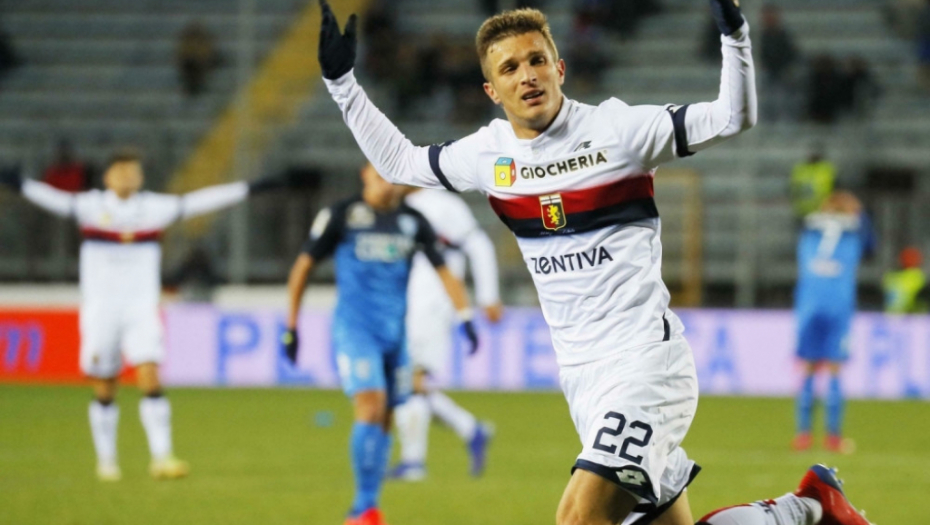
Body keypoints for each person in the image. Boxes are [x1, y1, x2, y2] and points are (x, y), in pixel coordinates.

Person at [316, 1, 874, 523]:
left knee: (578, 517)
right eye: (510, 68)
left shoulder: (619, 131)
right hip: (583, 380)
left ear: (559, 67)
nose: (527, 75)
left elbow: (733, 117)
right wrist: (342, 84)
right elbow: (400, 161)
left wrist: (735, 35)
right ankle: (808, 507)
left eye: (537, 60)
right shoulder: (488, 155)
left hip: (646, 364)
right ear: (492, 90)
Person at [0, 149, 279, 482]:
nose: (128, 177)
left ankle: (162, 457)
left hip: (141, 307)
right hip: (101, 308)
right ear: (108, 177)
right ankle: (107, 461)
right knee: (105, 386)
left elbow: (201, 201)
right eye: (121, 171)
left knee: (150, 374)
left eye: (133, 172)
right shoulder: (91, 207)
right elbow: (54, 200)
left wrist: (251, 188)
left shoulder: (153, 208)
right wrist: (20, 183)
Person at [282, 163, 478, 525]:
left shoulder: (413, 220)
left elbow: (444, 270)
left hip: (396, 336)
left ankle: (369, 506)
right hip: (356, 332)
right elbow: (303, 267)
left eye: (392, 177)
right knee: (370, 405)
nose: (387, 184)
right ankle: (359, 507)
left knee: (387, 414)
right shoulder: (342, 215)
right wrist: (291, 326)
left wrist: (465, 316)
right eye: (379, 175)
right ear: (365, 175)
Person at [390, 188, 503, 481]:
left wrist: (488, 296)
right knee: (405, 380)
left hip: (431, 299)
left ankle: (414, 463)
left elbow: (479, 245)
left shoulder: (443, 205)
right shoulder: (405, 205)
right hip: (407, 300)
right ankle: (470, 429)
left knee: (412, 378)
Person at [792, 191, 874, 454]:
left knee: (808, 368)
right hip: (838, 304)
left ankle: (803, 435)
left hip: (809, 304)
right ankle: (833, 437)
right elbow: (871, 246)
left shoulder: (809, 227)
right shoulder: (854, 231)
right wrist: (859, 215)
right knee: (835, 369)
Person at [883, 246, 929, 314]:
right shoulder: (890, 276)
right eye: (906, 257)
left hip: (913, 316)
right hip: (890, 315)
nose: (908, 260)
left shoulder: (920, 278)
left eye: (912, 257)